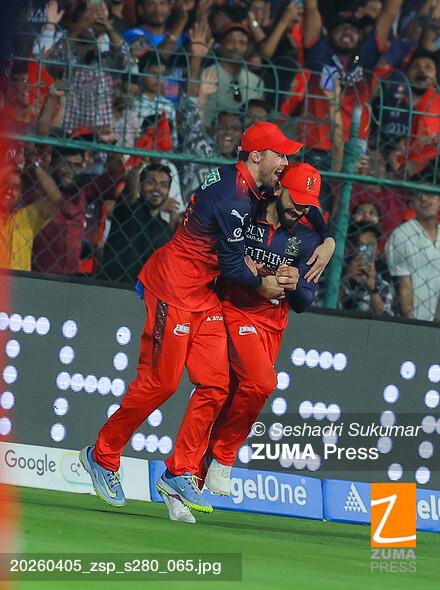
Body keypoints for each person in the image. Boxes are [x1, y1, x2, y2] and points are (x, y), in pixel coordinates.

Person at [79, 121, 331, 513]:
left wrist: (328, 239)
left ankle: (178, 471)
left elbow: (302, 207)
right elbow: (232, 267)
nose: (285, 161)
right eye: (280, 154)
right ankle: (102, 455)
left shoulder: (249, 184)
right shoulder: (234, 199)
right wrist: (262, 283)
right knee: (161, 384)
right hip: (174, 288)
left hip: (204, 294)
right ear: (257, 156)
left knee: (215, 385)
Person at [163, 163, 334, 522]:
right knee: (259, 383)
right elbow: (223, 257)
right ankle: (222, 459)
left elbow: (304, 301)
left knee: (224, 398)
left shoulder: (308, 238)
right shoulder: (248, 211)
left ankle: (184, 480)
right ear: (278, 189)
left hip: (271, 327)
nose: (299, 210)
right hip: (231, 311)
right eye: (295, 201)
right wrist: (256, 279)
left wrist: (293, 282)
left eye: (307, 205)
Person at [99, 164, 176, 284]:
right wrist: (136, 165)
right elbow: (130, 192)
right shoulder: (128, 208)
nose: (157, 188)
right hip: (113, 286)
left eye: (163, 185)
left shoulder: (164, 227)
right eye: (150, 182)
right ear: (140, 186)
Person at [386, 182, 440, 321]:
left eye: (429, 194)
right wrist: (413, 325)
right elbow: (403, 287)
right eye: (418, 195)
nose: (423, 198)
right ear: (412, 203)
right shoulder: (401, 235)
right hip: (414, 321)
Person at [0, 159, 61, 271]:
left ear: (20, 193)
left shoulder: (26, 218)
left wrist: (34, 165)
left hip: (21, 281)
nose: (9, 191)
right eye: (4, 184)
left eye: (15, 187)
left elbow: (55, 198)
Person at [200, 24, 265, 125]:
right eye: (230, 41)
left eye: (242, 43)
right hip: (209, 132)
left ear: (247, 49)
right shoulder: (207, 75)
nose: (236, 47)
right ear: (221, 46)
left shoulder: (256, 82)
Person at [340, 221, 394, 315]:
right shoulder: (333, 278)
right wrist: (346, 278)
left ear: (377, 253)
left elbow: (385, 318)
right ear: (349, 249)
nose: (365, 252)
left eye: (370, 247)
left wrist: (372, 290)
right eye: (360, 245)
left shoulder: (382, 286)